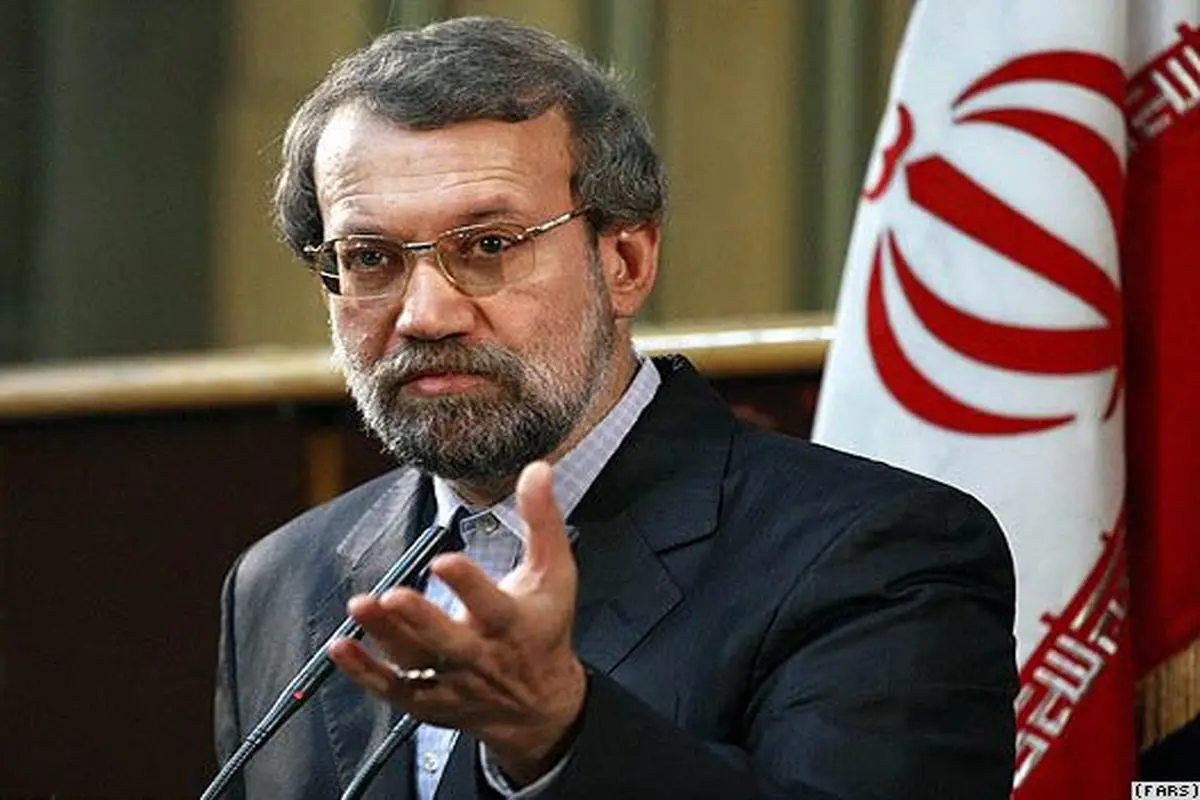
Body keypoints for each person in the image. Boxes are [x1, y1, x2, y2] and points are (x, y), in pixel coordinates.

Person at [213, 16, 1017, 800]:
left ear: (625, 262)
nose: (426, 314)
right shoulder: (280, 583)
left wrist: (557, 734)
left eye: (489, 245)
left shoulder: (877, 551)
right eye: (370, 258)